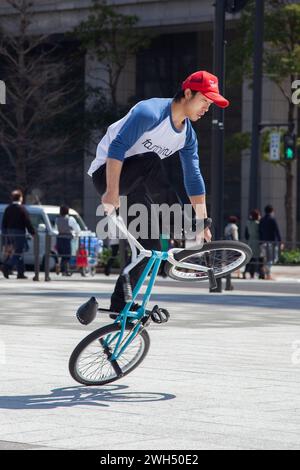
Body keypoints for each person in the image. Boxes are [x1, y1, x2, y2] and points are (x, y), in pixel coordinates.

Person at [88, 70, 229, 313]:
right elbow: (118, 146)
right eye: (204, 101)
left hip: (135, 189)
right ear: (187, 93)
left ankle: (120, 309)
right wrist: (111, 192)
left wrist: (202, 221)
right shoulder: (150, 112)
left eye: (211, 104)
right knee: (151, 161)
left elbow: (193, 178)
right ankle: (178, 224)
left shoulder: (187, 136)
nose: (207, 108)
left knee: (150, 249)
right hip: (108, 176)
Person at [1, 189, 35, 279]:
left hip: (8, 233)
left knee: (17, 251)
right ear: (20, 198)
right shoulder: (22, 209)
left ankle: (20, 272)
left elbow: (4, 222)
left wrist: (5, 234)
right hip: (19, 232)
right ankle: (7, 266)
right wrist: (33, 233)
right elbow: (27, 222)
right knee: (19, 251)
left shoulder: (8, 208)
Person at [259, 204, 282, 280]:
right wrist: (280, 241)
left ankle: (267, 273)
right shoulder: (272, 219)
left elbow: (260, 231)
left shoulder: (262, 220)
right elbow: (276, 231)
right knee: (273, 258)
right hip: (271, 242)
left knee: (266, 258)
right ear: (272, 211)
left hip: (263, 242)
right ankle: (266, 270)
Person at [55, 206, 81, 275]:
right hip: (67, 238)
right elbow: (77, 229)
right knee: (67, 256)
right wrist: (76, 233)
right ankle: (62, 268)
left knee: (62, 255)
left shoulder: (57, 219)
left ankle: (63, 269)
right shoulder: (70, 219)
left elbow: (56, 228)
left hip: (59, 237)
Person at [243, 209, 263, 279]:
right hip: (257, 242)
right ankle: (255, 274)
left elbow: (246, 234)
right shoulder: (258, 223)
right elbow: (261, 233)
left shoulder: (248, 223)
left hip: (250, 241)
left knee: (250, 258)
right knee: (256, 259)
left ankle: (245, 272)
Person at [224, 215, 240, 290]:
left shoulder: (226, 227)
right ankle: (229, 284)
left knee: (228, 263)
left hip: (227, 246)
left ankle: (228, 282)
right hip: (233, 247)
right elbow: (235, 238)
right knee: (236, 262)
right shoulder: (234, 227)